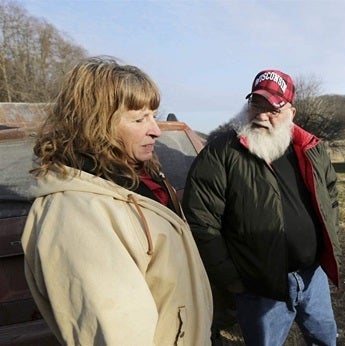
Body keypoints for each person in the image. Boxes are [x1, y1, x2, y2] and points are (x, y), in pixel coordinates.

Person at [21, 56, 213, 345]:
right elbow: (116, 334)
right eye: (139, 119)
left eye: (153, 116)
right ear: (94, 124)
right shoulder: (77, 215)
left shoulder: (139, 177)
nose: (156, 130)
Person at [182, 69, 341, 345]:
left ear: (292, 112)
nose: (262, 115)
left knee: (324, 338)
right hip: (259, 285)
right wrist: (232, 279)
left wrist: (324, 243)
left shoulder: (311, 148)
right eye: (256, 105)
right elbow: (201, 221)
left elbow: (331, 196)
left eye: (273, 109)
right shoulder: (221, 152)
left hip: (312, 276)